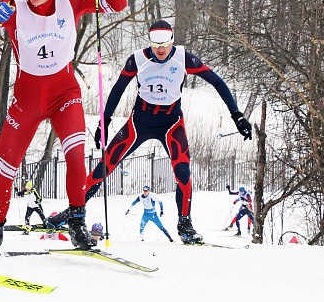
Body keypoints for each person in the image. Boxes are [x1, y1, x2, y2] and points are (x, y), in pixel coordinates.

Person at [0, 0, 127, 255]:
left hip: (65, 93)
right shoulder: (12, 3)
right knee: (6, 165)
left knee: (76, 153)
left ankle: (77, 222)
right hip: (27, 98)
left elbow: (118, 4)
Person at [47, 20, 252, 245]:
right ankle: (72, 213)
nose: (161, 49)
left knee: (183, 173)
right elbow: (117, 88)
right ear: (150, 42)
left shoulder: (185, 59)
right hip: (139, 124)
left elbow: (218, 82)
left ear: (172, 40)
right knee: (105, 166)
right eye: (156, 44)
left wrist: (237, 115)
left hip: (171, 124)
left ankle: (185, 225)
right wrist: (103, 122)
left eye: (165, 44)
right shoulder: (138, 59)